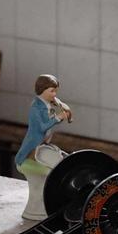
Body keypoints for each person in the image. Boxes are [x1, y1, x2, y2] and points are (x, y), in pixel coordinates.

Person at [15, 74, 72, 220]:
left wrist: (62, 111)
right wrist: (58, 118)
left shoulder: (47, 104)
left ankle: (42, 210)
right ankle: (37, 211)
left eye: (55, 91)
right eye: (52, 91)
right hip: (33, 149)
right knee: (52, 172)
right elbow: (41, 127)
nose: (55, 94)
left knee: (60, 163)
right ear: (43, 90)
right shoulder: (36, 108)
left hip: (43, 145)